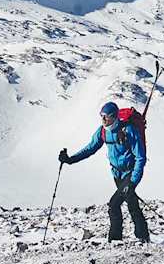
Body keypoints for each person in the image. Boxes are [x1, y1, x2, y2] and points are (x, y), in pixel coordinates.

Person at [59, 101, 149, 242]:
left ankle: (114, 239)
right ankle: (143, 236)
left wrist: (133, 181)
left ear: (114, 116)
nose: (103, 120)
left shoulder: (129, 130)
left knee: (113, 205)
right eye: (101, 116)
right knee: (131, 203)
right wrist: (70, 160)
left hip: (130, 173)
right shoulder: (102, 131)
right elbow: (90, 148)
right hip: (117, 174)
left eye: (105, 117)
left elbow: (140, 157)